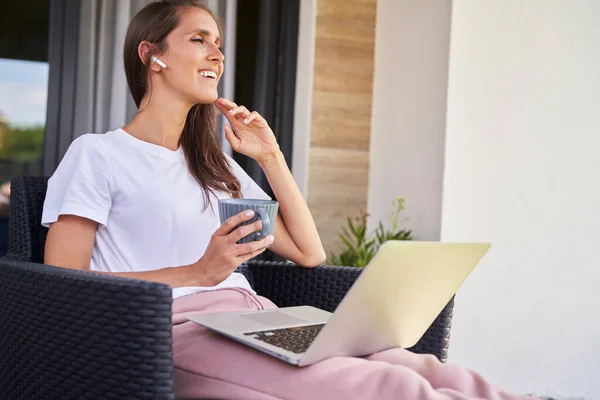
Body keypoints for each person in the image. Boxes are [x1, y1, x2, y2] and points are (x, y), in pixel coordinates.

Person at [41, 1, 537, 399]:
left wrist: (271, 155)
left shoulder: (214, 165)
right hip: (175, 328)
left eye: (219, 43)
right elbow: (62, 287)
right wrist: (197, 273)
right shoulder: (100, 154)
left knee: (419, 367)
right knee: (392, 387)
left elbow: (308, 252)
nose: (216, 54)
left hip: (257, 314)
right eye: (199, 40)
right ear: (152, 55)